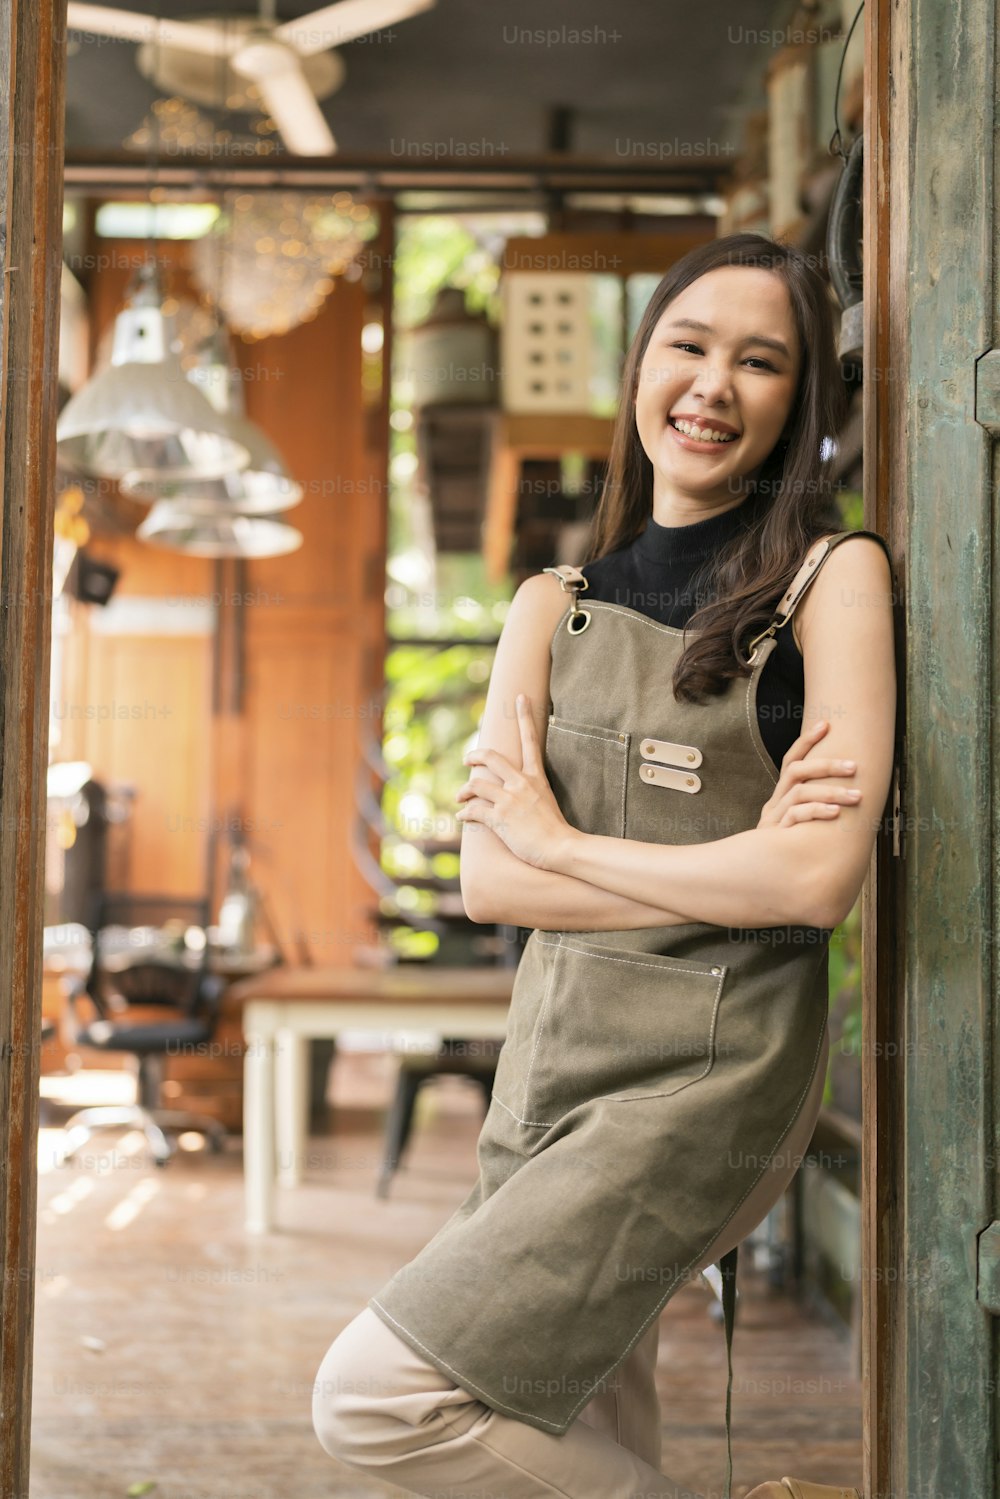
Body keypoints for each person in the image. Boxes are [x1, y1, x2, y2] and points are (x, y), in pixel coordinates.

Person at [311, 232, 897, 1499]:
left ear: (798, 402)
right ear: (640, 366)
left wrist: (565, 840)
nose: (711, 385)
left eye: (760, 361)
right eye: (688, 346)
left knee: (376, 1396)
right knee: (568, 1400)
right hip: (554, 1053)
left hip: (712, 1072)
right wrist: (726, 859)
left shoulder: (831, 582)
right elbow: (491, 884)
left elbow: (810, 891)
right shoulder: (550, 600)